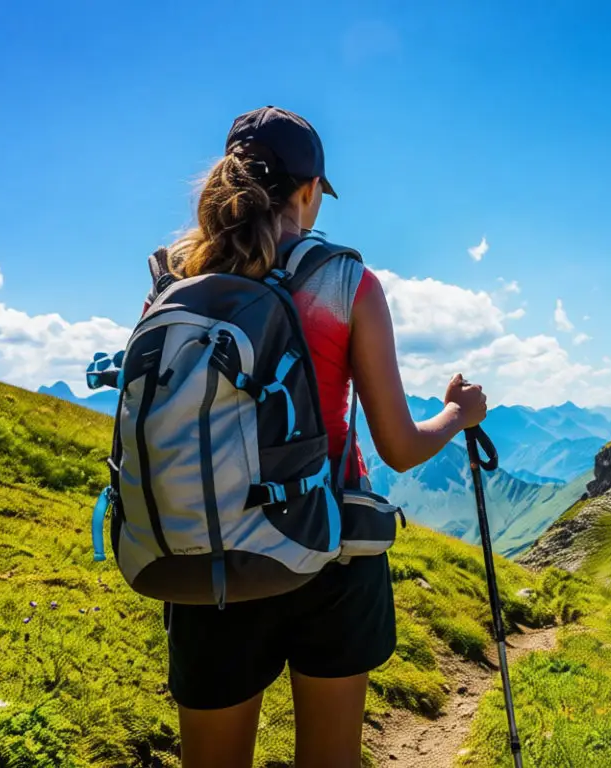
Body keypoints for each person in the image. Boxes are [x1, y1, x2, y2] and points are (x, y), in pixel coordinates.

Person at [154, 106, 488, 767]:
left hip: (207, 555)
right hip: (329, 550)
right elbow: (397, 446)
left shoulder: (175, 281)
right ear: (309, 191)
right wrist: (458, 416)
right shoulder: (346, 281)